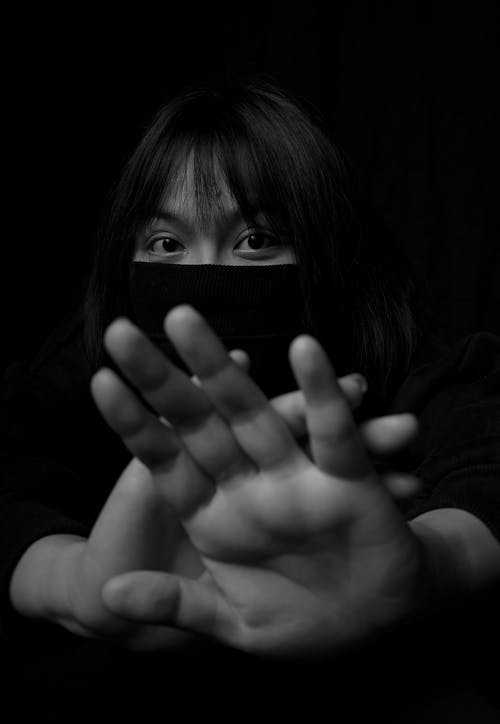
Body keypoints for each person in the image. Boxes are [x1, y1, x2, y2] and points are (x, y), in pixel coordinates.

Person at [1, 80, 499, 708]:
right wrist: (74, 581)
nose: (207, 276)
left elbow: (488, 453)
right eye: (165, 244)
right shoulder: (101, 352)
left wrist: (432, 564)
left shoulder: (399, 357)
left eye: (257, 241)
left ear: (325, 252)